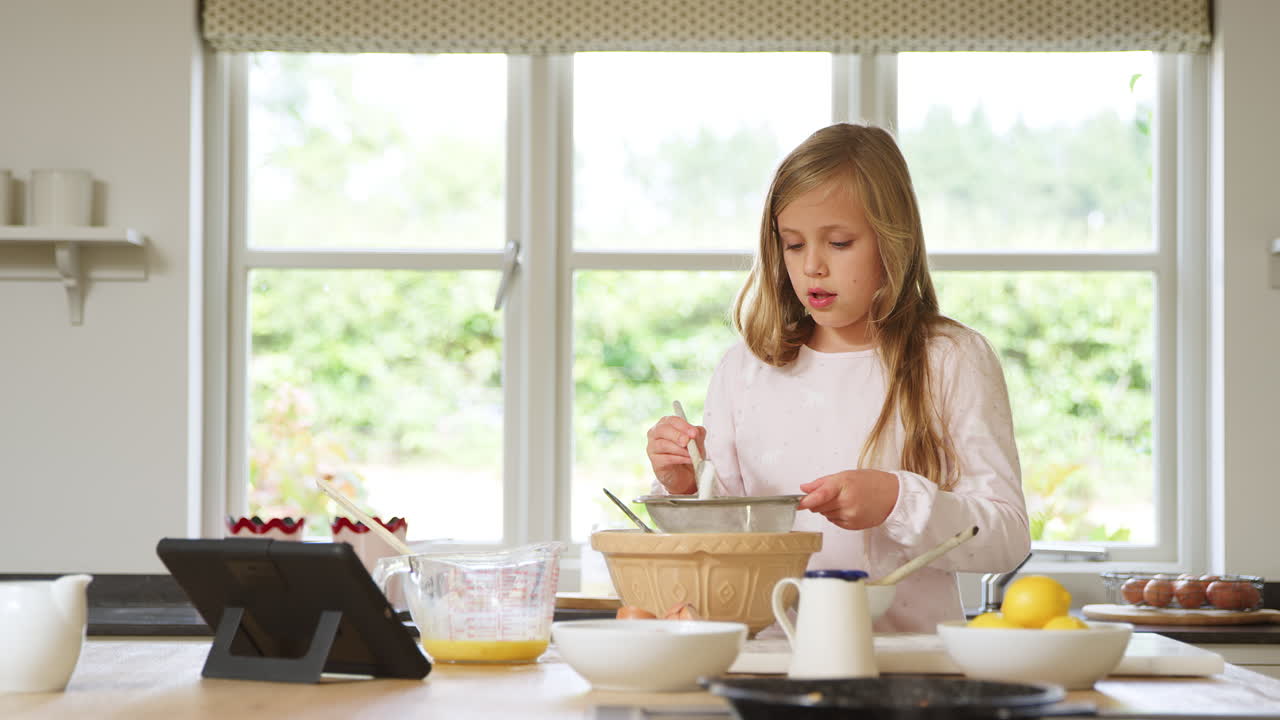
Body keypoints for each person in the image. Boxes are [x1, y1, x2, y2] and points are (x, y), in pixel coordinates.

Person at [644, 123, 1030, 633]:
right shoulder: (746, 367)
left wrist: (898, 501)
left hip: (908, 673)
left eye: (840, 243)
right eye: (794, 245)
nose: (813, 268)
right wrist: (685, 487)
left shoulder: (951, 358)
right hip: (768, 663)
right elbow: (722, 542)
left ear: (894, 242)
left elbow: (1007, 538)